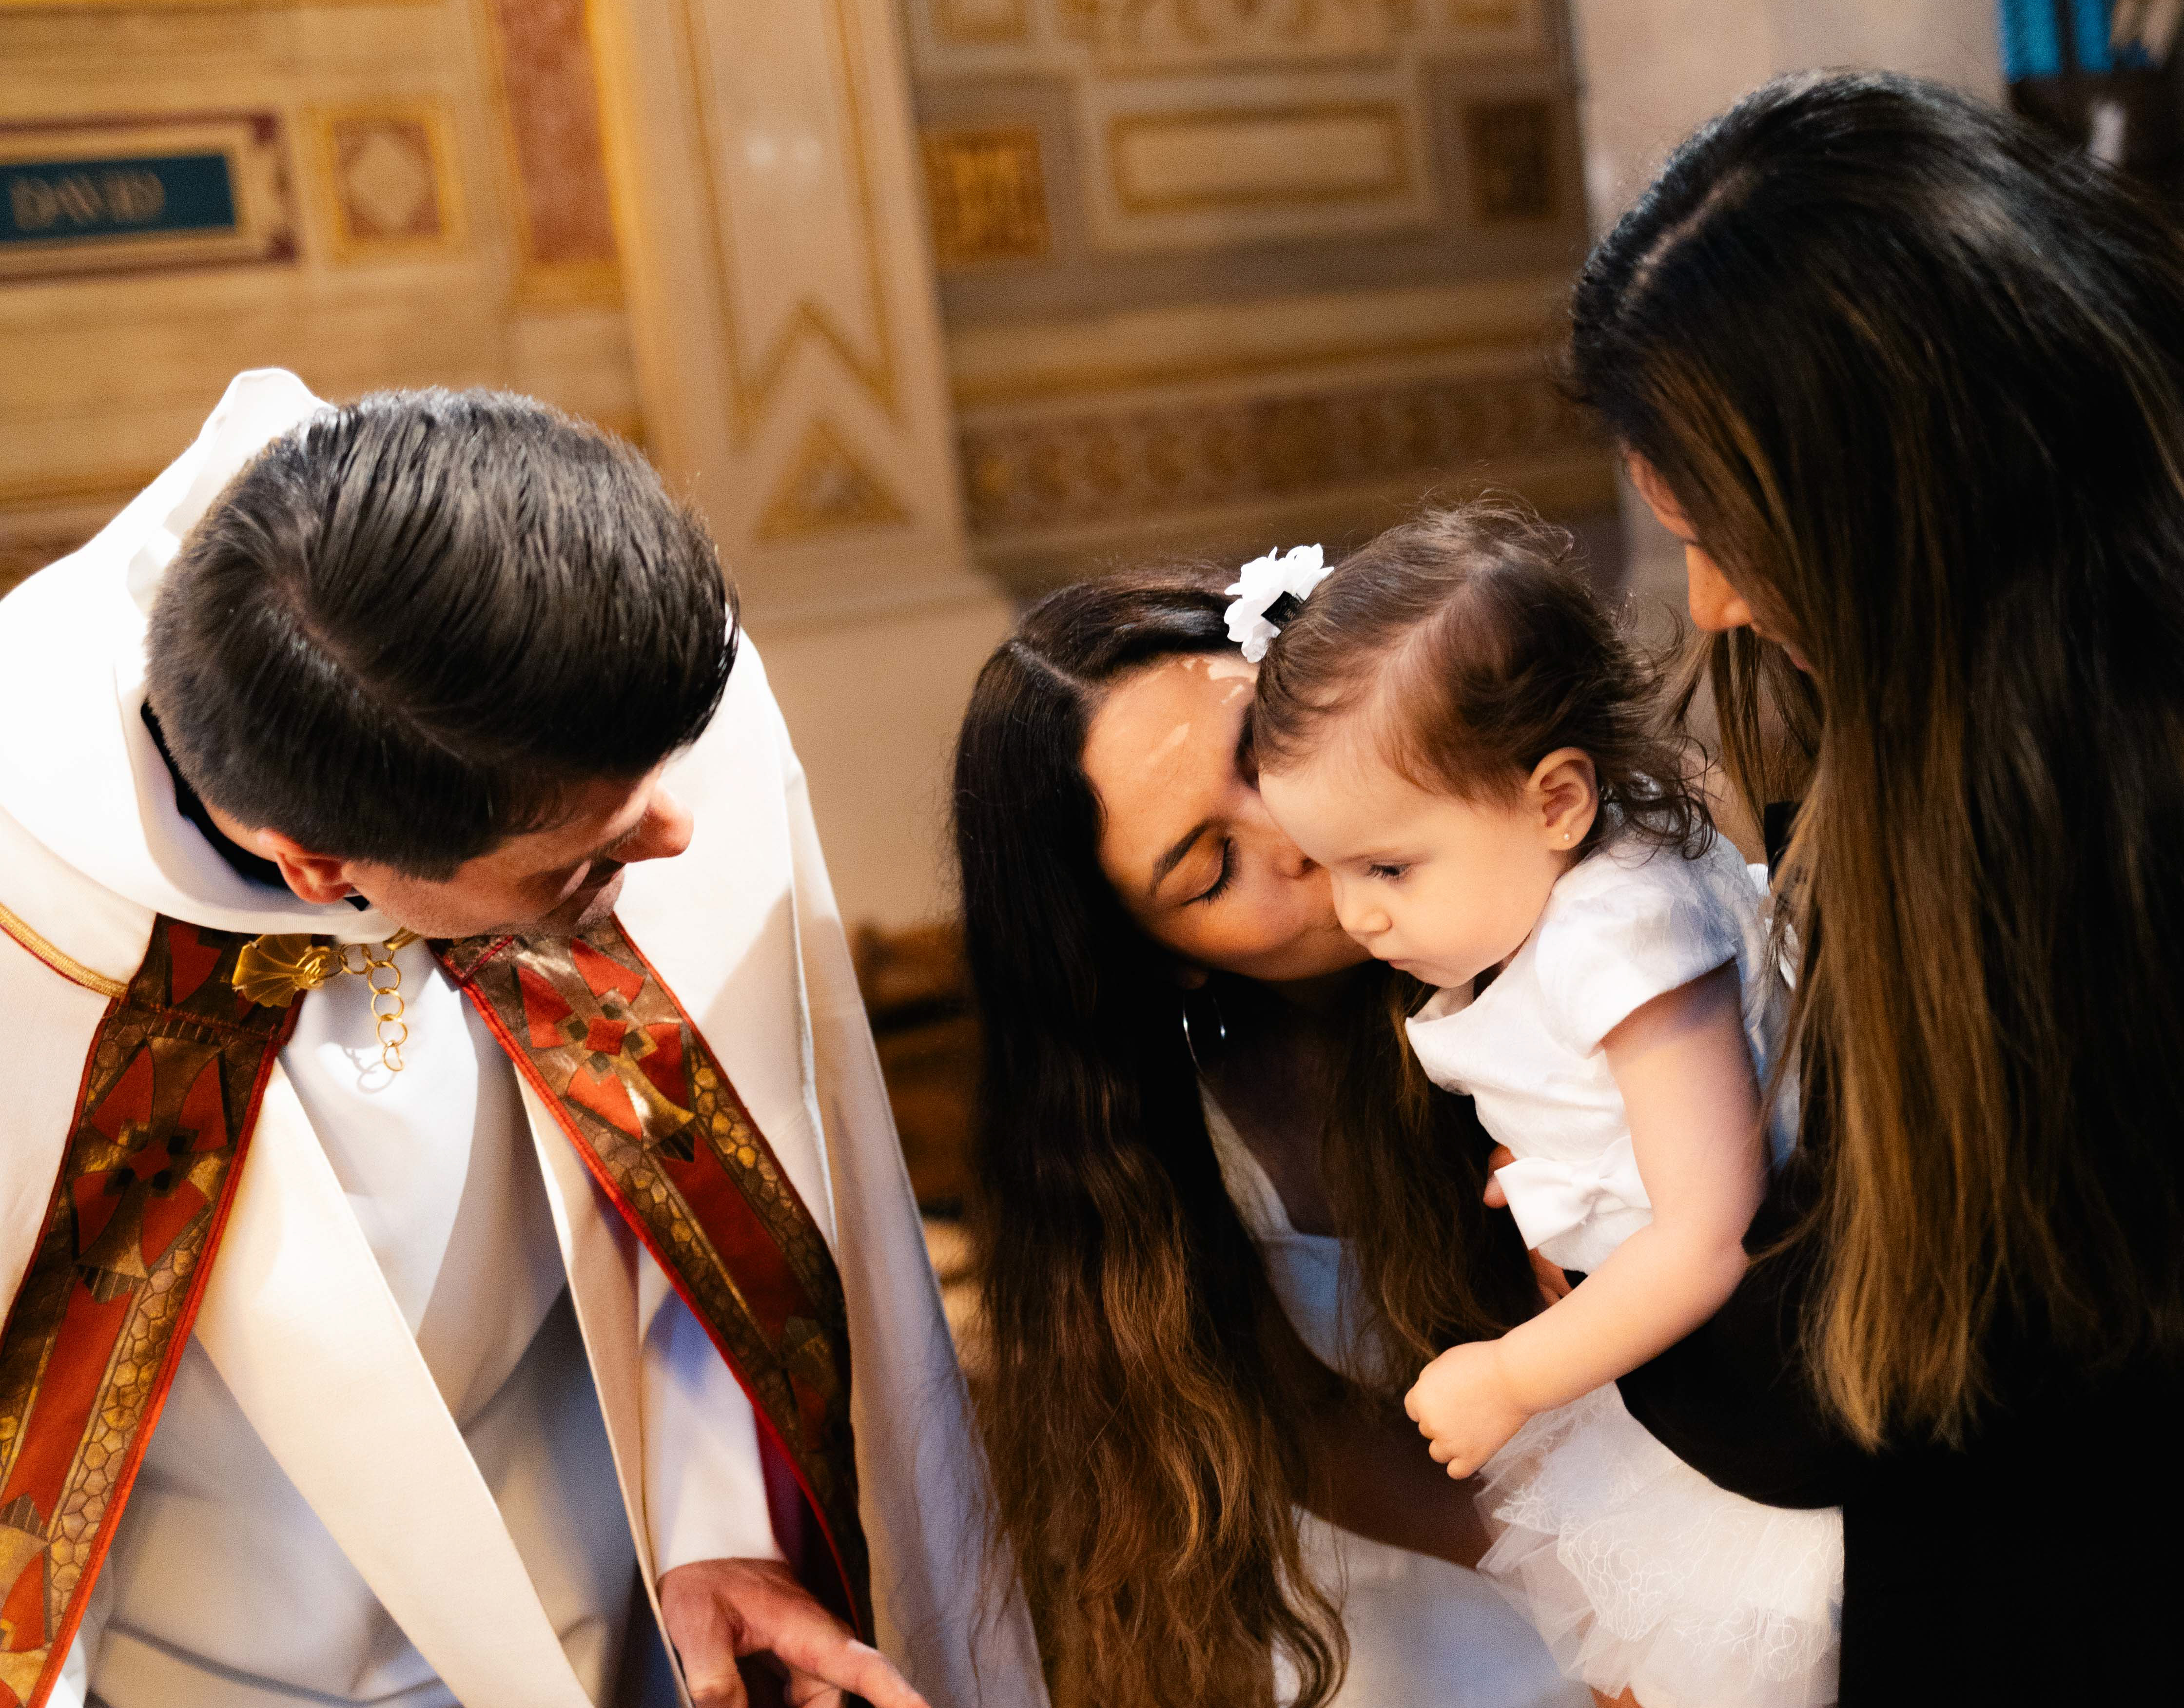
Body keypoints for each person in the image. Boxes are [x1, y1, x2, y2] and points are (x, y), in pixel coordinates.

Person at [0, 370, 1042, 1708]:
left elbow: (727, 1185)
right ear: (319, 867)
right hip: (201, 1665)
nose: (678, 832)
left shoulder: (593, 662)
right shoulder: (40, 915)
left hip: (624, 1611)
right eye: (586, 860)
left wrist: (718, 1516)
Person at [1568, 72, 2184, 1698]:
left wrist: (1608, 1270)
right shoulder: (2018, 700)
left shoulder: (2053, 836)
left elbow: (1889, 1379)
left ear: (1896, 484)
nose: (1711, 603)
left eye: (1729, 535)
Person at [951, 568, 1589, 1708]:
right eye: (1210, 868)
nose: (1288, 831)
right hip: (1450, 1614)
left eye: (1262, 756)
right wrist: (1609, 1610)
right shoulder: (1156, 1142)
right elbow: (1322, 1439)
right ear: (1160, 959)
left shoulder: (1561, 900)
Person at [1245, 507, 1837, 1708]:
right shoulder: (1558, 899)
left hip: (1758, 1370)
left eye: (1386, 868)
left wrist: (1513, 1376)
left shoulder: (1620, 939)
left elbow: (1707, 1230)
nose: (1355, 916)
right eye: (1328, 868)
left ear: (1556, 801)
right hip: (1676, 1363)